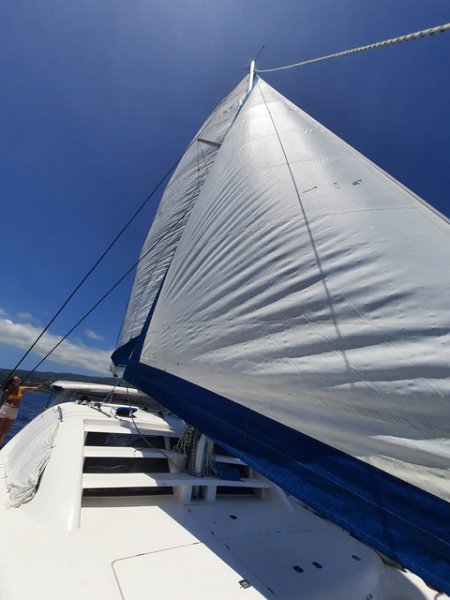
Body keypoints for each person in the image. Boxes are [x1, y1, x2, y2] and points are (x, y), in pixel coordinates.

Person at [0, 376, 52, 446]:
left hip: (14, 411)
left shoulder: (22, 388)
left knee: (5, 431)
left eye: (19, 380)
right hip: (5, 409)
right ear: (12, 382)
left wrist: (44, 384)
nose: (18, 381)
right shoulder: (7, 390)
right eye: (17, 380)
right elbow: (2, 401)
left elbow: (35, 389)